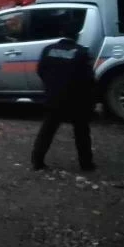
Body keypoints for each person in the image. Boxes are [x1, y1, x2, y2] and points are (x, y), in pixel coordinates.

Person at [31, 18, 96, 172]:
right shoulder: (81, 52)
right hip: (75, 100)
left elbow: (40, 70)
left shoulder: (48, 50)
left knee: (47, 130)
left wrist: (51, 85)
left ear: (61, 33)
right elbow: (88, 79)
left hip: (54, 97)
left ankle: (37, 161)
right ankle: (86, 164)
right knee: (81, 132)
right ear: (77, 35)